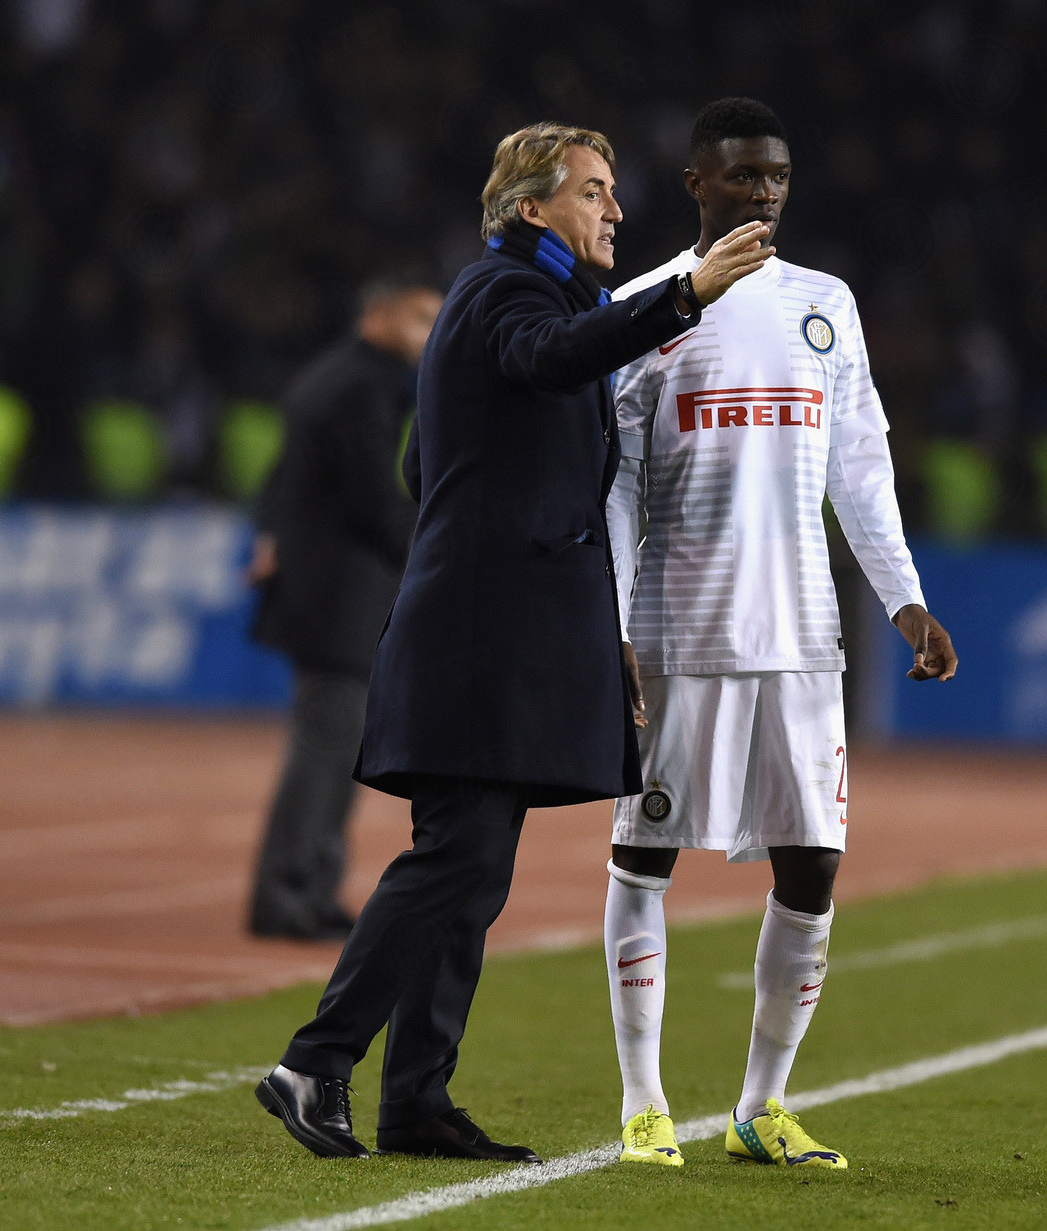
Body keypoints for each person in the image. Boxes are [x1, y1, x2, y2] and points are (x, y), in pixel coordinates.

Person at [254, 122, 774, 1162]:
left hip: (498, 624)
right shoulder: (506, 292)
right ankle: (316, 1061)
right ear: (531, 208)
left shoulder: (529, 300)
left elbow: (425, 470)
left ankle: (415, 1099)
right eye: (592, 190)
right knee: (458, 856)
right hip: (482, 632)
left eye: (612, 190)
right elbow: (545, 361)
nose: (615, 209)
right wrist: (684, 294)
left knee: (473, 866)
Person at [602, 98, 959, 1170]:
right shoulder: (643, 308)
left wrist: (904, 597)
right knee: (643, 856)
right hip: (679, 628)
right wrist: (614, 618)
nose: (763, 191)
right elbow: (616, 484)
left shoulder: (824, 304)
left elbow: (859, 465)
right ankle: (643, 1102)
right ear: (696, 185)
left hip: (803, 633)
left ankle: (761, 1106)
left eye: (777, 175)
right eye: (742, 174)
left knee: (813, 869)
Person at [246, 282, 442, 941]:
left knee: (336, 747)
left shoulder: (338, 377)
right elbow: (372, 498)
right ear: (378, 316)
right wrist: (431, 556)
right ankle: (285, 896)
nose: (429, 333)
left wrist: (271, 532)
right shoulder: (362, 387)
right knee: (324, 750)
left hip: (328, 592)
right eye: (420, 318)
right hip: (338, 598)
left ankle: (313, 887)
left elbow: (283, 476)